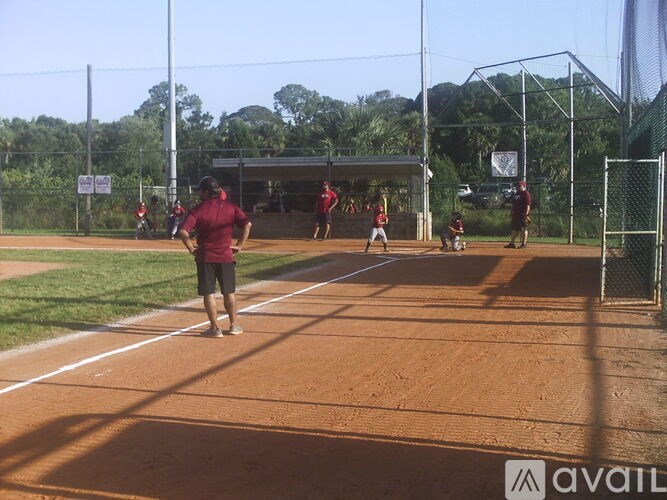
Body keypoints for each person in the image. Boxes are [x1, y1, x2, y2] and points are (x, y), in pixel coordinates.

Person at [179, 176, 252, 338]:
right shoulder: (230, 207)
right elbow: (247, 224)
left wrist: (191, 248)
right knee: (229, 292)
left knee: (209, 293)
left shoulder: (198, 209)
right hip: (226, 255)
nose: (199, 194)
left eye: (200, 191)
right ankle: (233, 325)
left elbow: (183, 231)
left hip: (206, 256)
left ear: (206, 192)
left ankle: (215, 328)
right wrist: (240, 245)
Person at [505, 180, 532, 249]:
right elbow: (514, 204)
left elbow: (528, 206)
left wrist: (526, 215)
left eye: (520, 186)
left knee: (523, 229)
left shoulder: (526, 194)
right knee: (514, 229)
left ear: (524, 186)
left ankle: (524, 244)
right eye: (517, 186)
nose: (518, 187)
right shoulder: (517, 194)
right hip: (516, 214)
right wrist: (512, 211)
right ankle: (512, 244)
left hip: (522, 215)